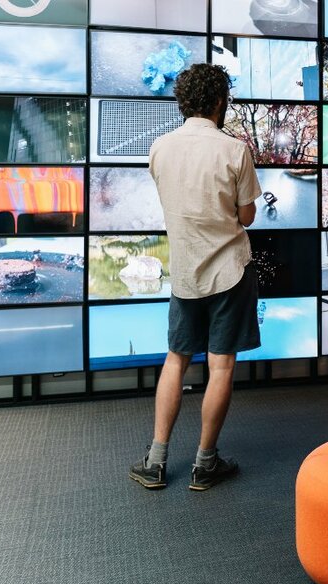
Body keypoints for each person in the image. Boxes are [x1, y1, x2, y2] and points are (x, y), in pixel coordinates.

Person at [128, 63, 262, 492]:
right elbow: (246, 216)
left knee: (176, 360)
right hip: (229, 271)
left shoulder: (160, 147)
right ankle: (205, 464)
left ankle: (155, 461)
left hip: (185, 272)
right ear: (220, 101)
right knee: (220, 366)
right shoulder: (234, 150)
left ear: (183, 102)